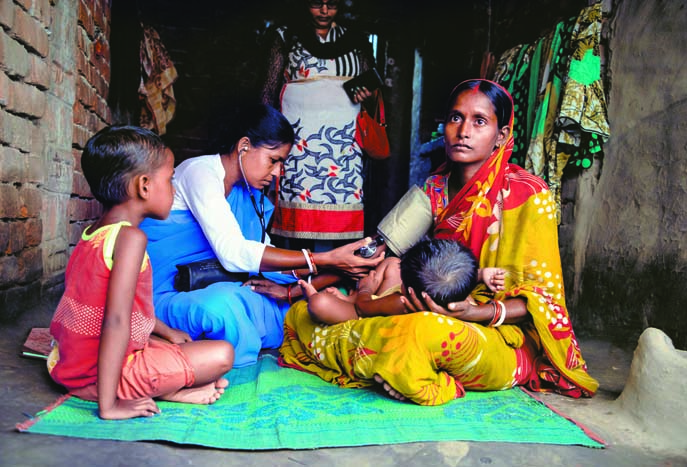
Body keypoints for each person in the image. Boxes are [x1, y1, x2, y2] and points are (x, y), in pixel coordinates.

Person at [278, 79, 599, 405]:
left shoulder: (528, 195)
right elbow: (374, 251)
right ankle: (403, 366)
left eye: (479, 121)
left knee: (422, 333)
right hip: (427, 311)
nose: (463, 131)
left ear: (501, 135)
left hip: (497, 334)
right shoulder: (434, 187)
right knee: (305, 313)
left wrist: (474, 313)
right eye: (455, 118)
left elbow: (543, 305)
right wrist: (293, 289)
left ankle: (422, 376)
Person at [140, 104, 383, 368]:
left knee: (291, 303)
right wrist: (325, 258)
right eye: (274, 160)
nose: (278, 172)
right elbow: (234, 254)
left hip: (226, 283)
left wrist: (331, 270)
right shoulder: (201, 172)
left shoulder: (249, 193)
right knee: (221, 307)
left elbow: (264, 259)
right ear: (244, 145)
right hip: (172, 289)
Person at [47, 126, 234, 420]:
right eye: (170, 179)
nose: (173, 189)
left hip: (69, 362)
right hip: (97, 376)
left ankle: (165, 387)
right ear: (144, 186)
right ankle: (149, 391)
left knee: (178, 345)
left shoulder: (92, 234)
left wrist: (167, 332)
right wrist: (109, 407)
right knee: (222, 355)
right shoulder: (131, 239)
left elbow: (112, 306)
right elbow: (116, 320)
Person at [260, 0, 377, 252]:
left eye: (331, 4)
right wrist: (266, 135)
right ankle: (295, 270)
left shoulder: (356, 39)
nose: (324, 11)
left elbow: (374, 88)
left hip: (342, 142)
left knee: (342, 200)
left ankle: (332, 274)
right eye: (317, 4)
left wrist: (368, 93)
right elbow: (268, 91)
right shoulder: (286, 35)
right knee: (296, 202)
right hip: (299, 141)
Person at [299, 238, 506, 324]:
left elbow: (364, 309)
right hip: (383, 303)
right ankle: (347, 297)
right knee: (392, 263)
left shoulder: (400, 302)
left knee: (320, 304)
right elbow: (459, 277)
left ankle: (344, 298)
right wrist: (480, 274)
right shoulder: (463, 303)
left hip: (369, 311)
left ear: (407, 290)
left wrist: (365, 289)